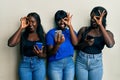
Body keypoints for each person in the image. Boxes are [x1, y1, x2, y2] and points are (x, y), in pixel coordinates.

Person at [75, 6, 115, 80]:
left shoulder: (107, 33)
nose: (93, 20)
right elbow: (75, 46)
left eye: (96, 18)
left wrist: (100, 25)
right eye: (92, 17)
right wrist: (85, 44)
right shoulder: (84, 30)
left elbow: (110, 44)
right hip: (81, 62)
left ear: (102, 19)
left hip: (96, 64)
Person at [8, 12, 46, 80]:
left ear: (38, 22)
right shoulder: (23, 35)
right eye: (28, 22)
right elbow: (11, 44)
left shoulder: (43, 36)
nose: (30, 24)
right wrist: (21, 27)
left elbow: (47, 54)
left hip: (39, 64)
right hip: (25, 65)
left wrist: (40, 55)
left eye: (33, 22)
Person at [46, 10, 78, 80]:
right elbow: (50, 53)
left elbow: (75, 43)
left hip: (69, 63)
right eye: (59, 20)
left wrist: (70, 25)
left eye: (64, 19)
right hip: (55, 64)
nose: (62, 22)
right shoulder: (51, 33)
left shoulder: (71, 31)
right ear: (56, 21)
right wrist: (57, 44)